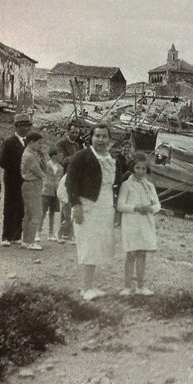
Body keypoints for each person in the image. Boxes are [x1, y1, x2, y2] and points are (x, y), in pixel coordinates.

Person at [66, 124, 121, 300]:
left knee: (99, 244)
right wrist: (76, 206)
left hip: (105, 205)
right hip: (87, 204)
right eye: (97, 136)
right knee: (88, 244)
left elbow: (117, 184)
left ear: (109, 139)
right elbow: (71, 182)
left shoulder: (113, 159)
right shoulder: (82, 156)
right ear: (91, 137)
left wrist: (117, 209)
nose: (101, 140)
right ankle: (85, 288)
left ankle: (91, 285)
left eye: (105, 136)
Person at [117, 153, 160, 295]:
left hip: (145, 222)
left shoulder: (149, 186)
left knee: (142, 254)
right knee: (131, 254)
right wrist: (135, 207)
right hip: (131, 222)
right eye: (137, 168)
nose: (140, 171)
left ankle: (141, 286)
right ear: (132, 168)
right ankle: (127, 286)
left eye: (143, 168)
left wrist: (150, 209)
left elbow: (157, 205)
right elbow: (120, 206)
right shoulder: (126, 185)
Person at [0, 113, 32, 246]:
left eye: (28, 126)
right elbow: (3, 162)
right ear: (17, 127)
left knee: (21, 207)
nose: (27, 129)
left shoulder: (29, 142)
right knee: (10, 206)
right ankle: (6, 236)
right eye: (24, 126)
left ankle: (17, 235)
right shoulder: (9, 142)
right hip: (12, 179)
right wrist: (18, 169)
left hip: (25, 180)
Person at [57, 122, 83, 242]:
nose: (75, 134)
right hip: (65, 175)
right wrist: (74, 158)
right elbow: (60, 160)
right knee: (66, 205)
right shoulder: (62, 143)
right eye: (73, 132)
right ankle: (63, 232)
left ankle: (70, 232)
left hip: (75, 176)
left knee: (74, 203)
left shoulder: (77, 144)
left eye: (77, 132)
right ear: (68, 132)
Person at [20, 132, 47, 250]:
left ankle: (26, 240)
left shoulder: (31, 153)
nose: (40, 145)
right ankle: (30, 241)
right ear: (32, 142)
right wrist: (44, 176)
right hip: (32, 184)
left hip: (30, 184)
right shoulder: (30, 156)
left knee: (29, 214)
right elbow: (39, 172)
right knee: (36, 213)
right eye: (39, 143)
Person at [40, 146, 64, 241]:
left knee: (52, 213)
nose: (61, 157)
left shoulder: (61, 168)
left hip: (55, 192)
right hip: (46, 191)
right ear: (54, 156)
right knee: (42, 212)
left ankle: (50, 233)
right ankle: (38, 232)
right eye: (60, 155)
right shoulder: (46, 165)